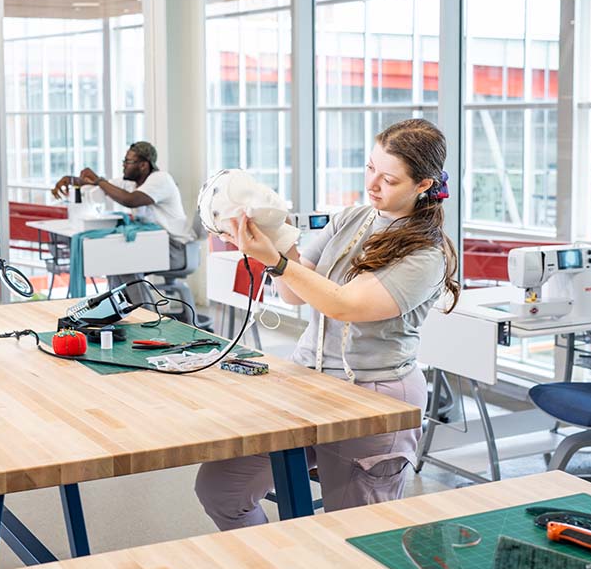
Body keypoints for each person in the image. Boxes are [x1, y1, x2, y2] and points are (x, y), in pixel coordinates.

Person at [194, 118, 460, 530]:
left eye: (389, 179)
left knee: (355, 533)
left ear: (423, 184)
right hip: (309, 379)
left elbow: (343, 305)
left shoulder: (427, 253)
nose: (372, 184)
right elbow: (295, 293)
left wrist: (274, 259)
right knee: (222, 489)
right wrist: (275, 234)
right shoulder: (351, 219)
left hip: (374, 395)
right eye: (370, 168)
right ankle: (272, 561)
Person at [51, 141, 195, 270]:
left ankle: (135, 294)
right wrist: (71, 180)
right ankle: (125, 293)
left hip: (175, 248)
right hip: (153, 241)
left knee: (123, 262)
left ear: (143, 165)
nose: (124, 165)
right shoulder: (131, 183)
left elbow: (130, 200)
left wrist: (99, 180)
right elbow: (102, 186)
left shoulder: (161, 179)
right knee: (115, 261)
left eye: (128, 161)